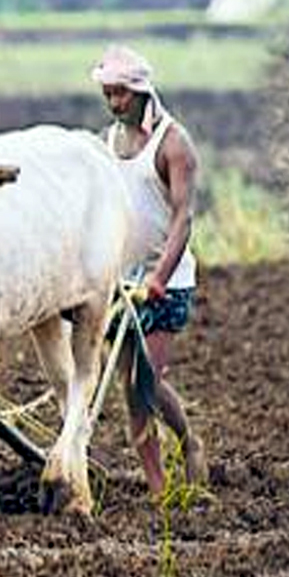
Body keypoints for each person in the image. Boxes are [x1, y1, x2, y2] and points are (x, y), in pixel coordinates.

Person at [91, 45, 208, 497]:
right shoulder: (108, 143)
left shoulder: (173, 144)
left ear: (140, 92)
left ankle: (188, 440)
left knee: (147, 381)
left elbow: (184, 218)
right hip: (121, 280)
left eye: (120, 94)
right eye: (108, 94)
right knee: (129, 388)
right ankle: (158, 487)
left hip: (165, 281)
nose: (114, 103)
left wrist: (160, 276)